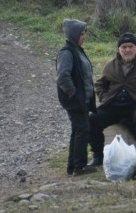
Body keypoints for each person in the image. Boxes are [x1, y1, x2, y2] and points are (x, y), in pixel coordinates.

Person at [89, 32, 136, 166]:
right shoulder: (110, 66)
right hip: (113, 106)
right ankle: (98, 156)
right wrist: (103, 97)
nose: (127, 50)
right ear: (119, 50)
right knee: (92, 119)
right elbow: (100, 84)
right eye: (123, 47)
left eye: (130, 46)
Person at [55, 19, 97, 176]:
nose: (84, 36)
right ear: (73, 35)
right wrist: (73, 94)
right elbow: (63, 76)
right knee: (83, 130)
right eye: (81, 33)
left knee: (77, 130)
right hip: (76, 100)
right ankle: (80, 166)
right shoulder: (66, 52)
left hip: (82, 99)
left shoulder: (76, 49)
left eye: (84, 33)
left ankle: (72, 166)